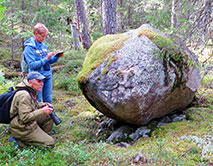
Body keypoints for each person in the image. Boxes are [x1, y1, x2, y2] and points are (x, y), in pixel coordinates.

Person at [9, 71, 55, 147]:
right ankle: (18, 141)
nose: (42, 84)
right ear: (30, 82)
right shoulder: (24, 95)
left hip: (28, 123)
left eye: (42, 81)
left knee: (48, 116)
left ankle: (42, 136)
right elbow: (24, 118)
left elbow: (32, 105)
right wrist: (42, 111)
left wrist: (44, 105)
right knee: (49, 143)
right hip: (22, 127)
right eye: (39, 81)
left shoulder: (29, 90)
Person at [23, 23, 63, 103]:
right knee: (37, 99)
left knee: (48, 98)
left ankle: (50, 114)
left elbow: (49, 61)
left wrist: (56, 57)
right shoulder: (29, 48)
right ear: (35, 33)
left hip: (47, 74)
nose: (43, 38)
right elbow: (32, 65)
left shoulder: (43, 45)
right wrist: (46, 58)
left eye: (45, 36)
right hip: (36, 77)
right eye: (42, 36)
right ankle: (38, 114)